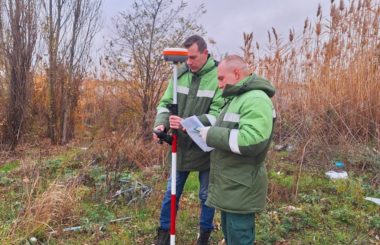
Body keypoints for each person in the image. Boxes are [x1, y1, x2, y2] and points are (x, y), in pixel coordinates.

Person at [153, 35, 224, 245]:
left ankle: (204, 237)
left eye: (193, 57)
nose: (189, 62)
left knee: (206, 196)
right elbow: (165, 103)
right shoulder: (179, 73)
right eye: (186, 58)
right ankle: (164, 236)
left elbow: (218, 114)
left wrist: (189, 123)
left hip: (206, 146)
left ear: (205, 53)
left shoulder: (218, 77)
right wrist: (161, 123)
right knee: (171, 193)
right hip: (180, 146)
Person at [198, 55, 276, 244]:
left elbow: (252, 140)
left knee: (239, 238)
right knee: (231, 235)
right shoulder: (237, 99)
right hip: (231, 186)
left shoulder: (255, 99)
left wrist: (211, 135)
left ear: (236, 73)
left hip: (240, 187)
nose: (219, 85)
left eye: (221, 78)